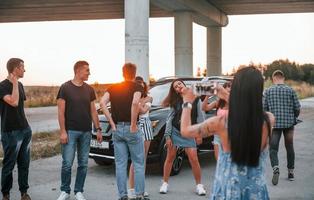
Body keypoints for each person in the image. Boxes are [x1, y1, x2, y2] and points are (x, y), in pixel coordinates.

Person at [180, 66, 275, 200]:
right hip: (256, 191)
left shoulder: (220, 122)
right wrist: (223, 93)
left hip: (229, 191)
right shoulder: (269, 120)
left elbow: (185, 130)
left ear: (236, 89)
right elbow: (247, 109)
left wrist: (187, 103)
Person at [100, 63, 147, 200]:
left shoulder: (113, 88)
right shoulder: (137, 87)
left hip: (117, 129)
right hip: (131, 128)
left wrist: (112, 123)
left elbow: (102, 103)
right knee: (138, 163)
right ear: (134, 73)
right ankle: (139, 195)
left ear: (123, 73)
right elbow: (134, 103)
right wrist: (133, 124)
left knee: (120, 164)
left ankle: (123, 196)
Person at [56, 61, 102, 200]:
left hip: (86, 132)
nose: (89, 73)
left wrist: (98, 129)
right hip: (70, 131)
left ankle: (78, 191)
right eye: (87, 70)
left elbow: (93, 111)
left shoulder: (89, 89)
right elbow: (60, 112)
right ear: (78, 71)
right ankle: (65, 191)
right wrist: (63, 131)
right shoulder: (65, 88)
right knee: (67, 163)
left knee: (83, 163)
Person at [159, 79, 206, 196]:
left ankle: (199, 186)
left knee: (194, 159)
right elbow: (169, 119)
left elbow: (200, 116)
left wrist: (199, 134)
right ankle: (164, 183)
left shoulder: (194, 97)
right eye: (175, 86)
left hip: (189, 132)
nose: (178, 86)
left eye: (179, 83)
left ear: (184, 85)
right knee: (170, 157)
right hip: (175, 131)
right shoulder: (175, 101)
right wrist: (167, 136)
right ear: (175, 91)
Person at [0, 58, 32, 200]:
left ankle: (24, 193)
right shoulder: (2, 86)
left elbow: (20, 107)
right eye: (22, 67)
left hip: (25, 130)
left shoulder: (20, 85)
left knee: (24, 163)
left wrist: (16, 84)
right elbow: (13, 102)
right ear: (15, 69)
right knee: (9, 165)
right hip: (10, 132)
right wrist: (14, 84)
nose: (24, 70)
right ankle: (6, 194)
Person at [263, 70, 301, 185]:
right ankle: (291, 173)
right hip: (289, 124)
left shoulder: (268, 91)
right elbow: (297, 108)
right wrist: (294, 117)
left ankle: (276, 169)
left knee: (273, 148)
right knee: (289, 146)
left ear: (274, 79)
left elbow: (264, 109)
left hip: (274, 125)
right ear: (283, 78)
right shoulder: (290, 90)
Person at [128, 76, 153, 199]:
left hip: (146, 126)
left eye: (142, 84)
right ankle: (132, 189)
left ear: (144, 86)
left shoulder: (149, 97)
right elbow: (134, 110)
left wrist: (137, 103)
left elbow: (142, 111)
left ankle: (141, 189)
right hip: (136, 126)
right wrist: (137, 103)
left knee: (143, 159)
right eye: (137, 84)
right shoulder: (132, 98)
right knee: (135, 159)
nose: (140, 86)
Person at [201, 81, 231, 160]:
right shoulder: (218, 103)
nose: (228, 94)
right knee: (218, 160)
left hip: (231, 135)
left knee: (228, 161)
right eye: (227, 91)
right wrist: (207, 96)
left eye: (230, 92)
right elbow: (204, 108)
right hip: (218, 135)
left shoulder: (235, 103)